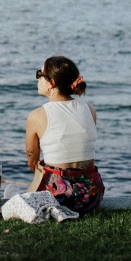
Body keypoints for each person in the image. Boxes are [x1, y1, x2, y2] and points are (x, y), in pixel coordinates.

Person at [25, 56, 104, 216]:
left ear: (52, 83)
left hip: (59, 197)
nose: (38, 78)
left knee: (16, 200)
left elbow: (32, 162)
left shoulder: (37, 116)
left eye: (40, 74)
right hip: (92, 195)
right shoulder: (90, 110)